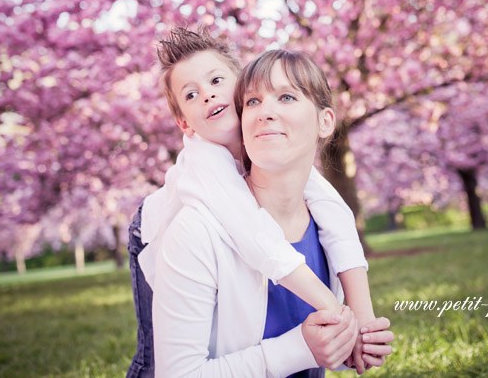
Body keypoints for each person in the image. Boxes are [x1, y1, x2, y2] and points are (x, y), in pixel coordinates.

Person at [151, 49, 393, 376]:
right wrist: (320, 330)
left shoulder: (320, 204)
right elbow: (258, 238)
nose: (266, 111)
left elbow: (339, 219)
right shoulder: (202, 207)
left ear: (325, 122)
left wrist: (360, 325)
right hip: (153, 233)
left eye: (287, 97)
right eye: (254, 101)